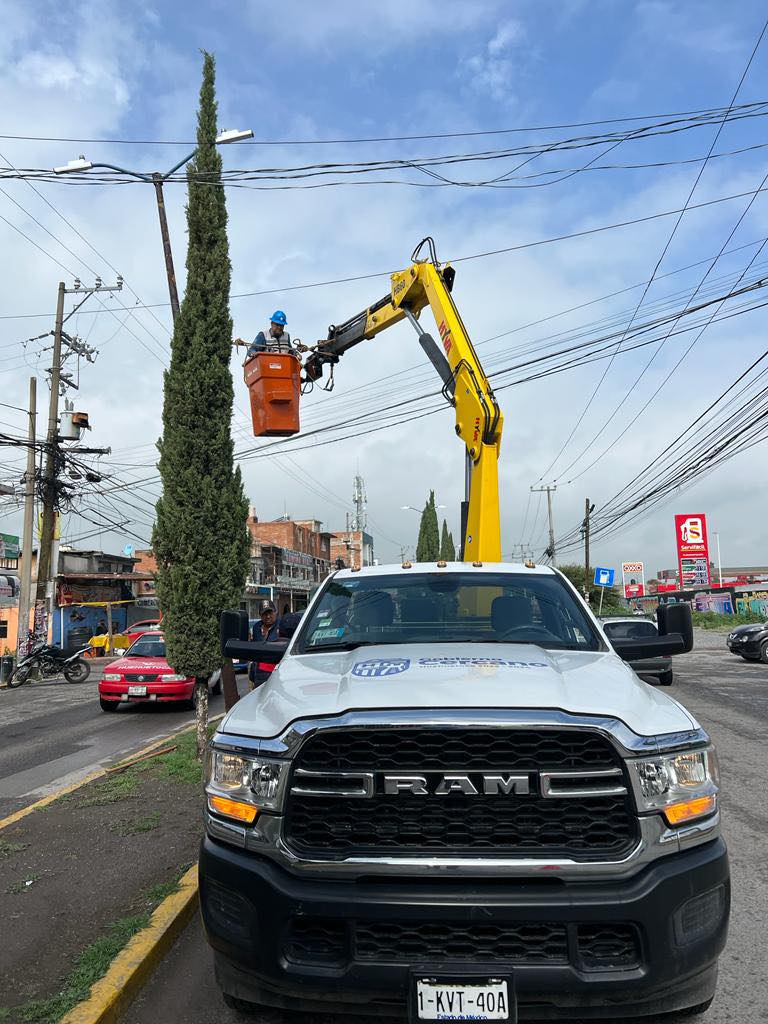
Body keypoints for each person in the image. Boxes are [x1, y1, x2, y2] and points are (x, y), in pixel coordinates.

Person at [249, 601, 280, 689]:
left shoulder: (281, 625)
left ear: (275, 612)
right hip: (259, 673)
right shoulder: (256, 627)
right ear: (260, 615)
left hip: (276, 671)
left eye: (270, 613)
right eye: (264, 614)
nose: (268, 616)